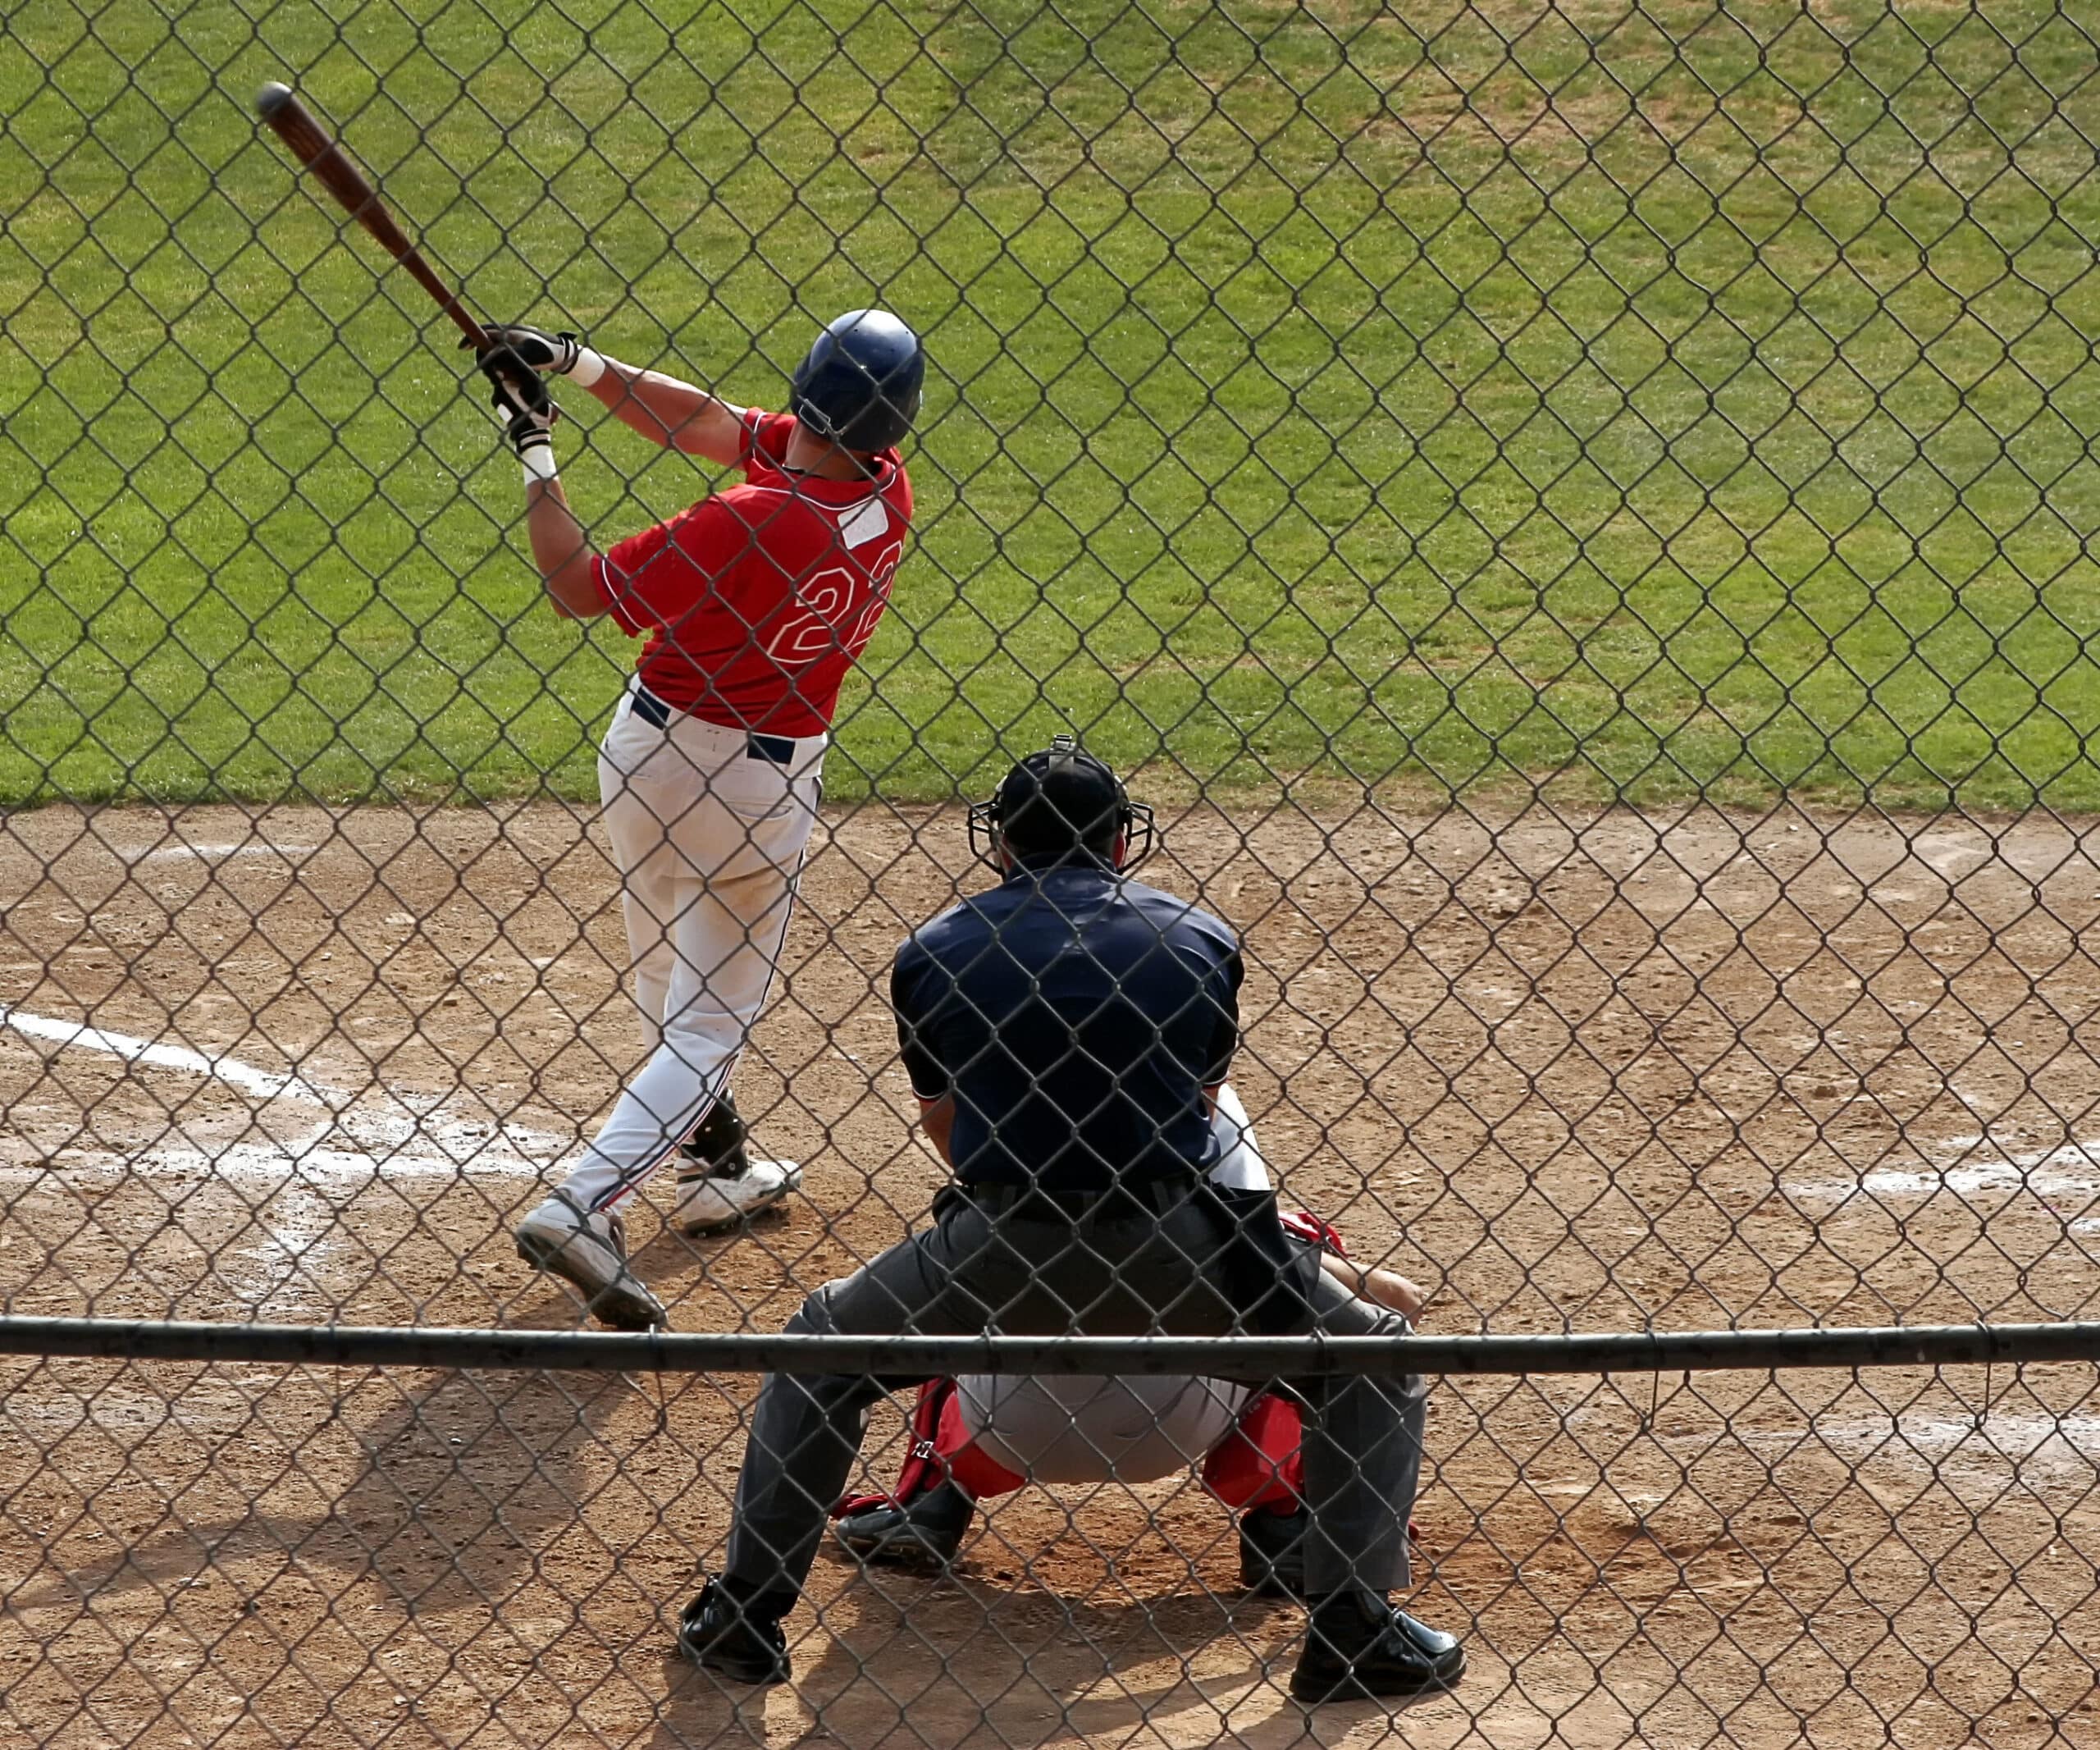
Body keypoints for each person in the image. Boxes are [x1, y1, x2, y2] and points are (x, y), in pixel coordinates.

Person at [680, 738, 1463, 1704]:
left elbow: (949, 1133)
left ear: (1001, 844)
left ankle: (745, 1618)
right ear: (1121, 842)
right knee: (1374, 1367)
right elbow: (1201, 1110)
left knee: (819, 1350)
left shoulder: (934, 948)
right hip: (1180, 1242)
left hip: (1002, 1236)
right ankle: (1351, 1633)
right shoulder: (1198, 937)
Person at [472, 310, 924, 1330]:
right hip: (762, 788)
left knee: (664, 981)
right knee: (710, 1019)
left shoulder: (748, 518)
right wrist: (581, 366)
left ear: (805, 385)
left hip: (646, 762)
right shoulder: (882, 488)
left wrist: (536, 450)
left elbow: (577, 590)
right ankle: (586, 1201)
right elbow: (706, 423)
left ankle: (710, 1167)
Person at [831, 1095, 1429, 1596]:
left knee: (964, 1279)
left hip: (1002, 1422)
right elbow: (1359, 1284)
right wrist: (1341, 1264)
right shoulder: (1207, 1103)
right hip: (1185, 1415)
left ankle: (931, 1497)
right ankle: (1290, 1519)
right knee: (1283, 1294)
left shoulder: (1002, 1088)